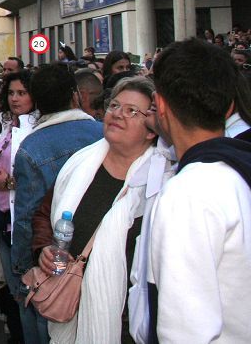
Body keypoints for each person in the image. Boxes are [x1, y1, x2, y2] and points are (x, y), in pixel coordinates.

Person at [29, 77, 168, 343]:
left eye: (131, 111)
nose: (117, 114)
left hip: (126, 319)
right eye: (114, 105)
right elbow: (44, 214)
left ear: (151, 129)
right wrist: (44, 248)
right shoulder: (81, 163)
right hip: (70, 304)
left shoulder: (158, 184)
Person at [142, 39, 251, 343]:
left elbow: (186, 331)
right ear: (230, 105)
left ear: (160, 105)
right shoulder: (235, 170)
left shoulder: (189, 193)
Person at [10, 63, 102, 344]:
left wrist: (22, 268)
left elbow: (26, 216)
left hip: (54, 257)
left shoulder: (31, 148)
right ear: (76, 95)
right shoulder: (104, 133)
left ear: (36, 101)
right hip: (100, 251)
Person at [0, 70, 37, 344]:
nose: (15, 98)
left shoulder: (36, 128)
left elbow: (38, 179)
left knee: (25, 292)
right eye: (11, 93)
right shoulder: (6, 125)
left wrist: (10, 184)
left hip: (22, 222)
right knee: (12, 291)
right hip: (2, 218)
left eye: (22, 93)